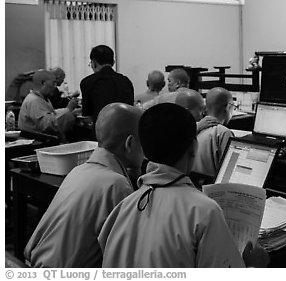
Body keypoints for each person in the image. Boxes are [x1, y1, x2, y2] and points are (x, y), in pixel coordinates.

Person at [98, 103, 269, 268]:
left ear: (143, 149)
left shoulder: (123, 207)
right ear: (194, 148)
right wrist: (254, 266)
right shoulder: (204, 211)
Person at [24, 103, 144, 268]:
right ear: (129, 143)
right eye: (144, 140)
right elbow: (124, 257)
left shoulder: (78, 171)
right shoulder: (117, 185)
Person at [80, 45, 134, 126]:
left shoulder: (87, 82)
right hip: (125, 131)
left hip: (100, 132)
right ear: (113, 62)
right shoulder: (126, 81)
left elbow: (87, 115)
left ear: (94, 62)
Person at [17, 69, 79, 137]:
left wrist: (68, 110)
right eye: (53, 83)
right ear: (43, 83)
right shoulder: (34, 101)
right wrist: (68, 111)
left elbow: (51, 114)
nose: (55, 86)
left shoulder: (41, 98)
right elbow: (47, 126)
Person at [192, 87, 235, 179]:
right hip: (213, 188)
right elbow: (229, 172)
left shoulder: (193, 128)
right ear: (228, 107)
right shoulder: (224, 133)